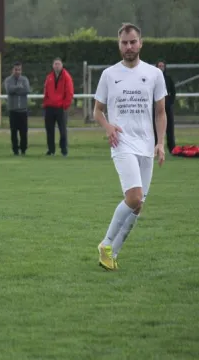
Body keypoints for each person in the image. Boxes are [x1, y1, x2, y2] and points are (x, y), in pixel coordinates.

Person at [93, 23, 167, 270]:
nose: (129, 47)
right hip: (122, 143)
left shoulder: (154, 74)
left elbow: (160, 112)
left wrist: (160, 143)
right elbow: (97, 111)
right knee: (133, 197)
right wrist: (108, 127)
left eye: (133, 42)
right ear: (119, 45)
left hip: (145, 145)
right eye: (124, 43)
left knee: (138, 205)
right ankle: (105, 244)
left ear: (140, 43)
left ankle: (112, 254)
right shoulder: (109, 75)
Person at [43, 58, 74, 156]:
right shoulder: (49, 77)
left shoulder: (66, 77)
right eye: (55, 64)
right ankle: (51, 150)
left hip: (61, 108)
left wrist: (65, 105)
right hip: (49, 107)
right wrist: (45, 103)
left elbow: (69, 92)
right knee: (49, 130)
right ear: (53, 65)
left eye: (58, 64)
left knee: (63, 130)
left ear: (62, 65)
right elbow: (46, 91)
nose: (57, 66)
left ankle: (64, 150)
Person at [4, 61, 31, 156]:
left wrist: (15, 89)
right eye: (16, 69)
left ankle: (23, 149)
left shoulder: (25, 79)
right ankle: (15, 150)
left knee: (24, 132)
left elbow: (27, 90)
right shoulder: (8, 80)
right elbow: (9, 90)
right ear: (13, 70)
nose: (18, 71)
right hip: (13, 110)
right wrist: (18, 87)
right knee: (14, 131)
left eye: (19, 69)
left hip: (23, 110)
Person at [155, 60, 176, 153]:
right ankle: (156, 146)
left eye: (162, 66)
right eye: (159, 66)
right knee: (155, 127)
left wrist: (170, 102)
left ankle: (172, 148)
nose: (161, 68)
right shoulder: (153, 79)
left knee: (170, 128)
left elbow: (173, 92)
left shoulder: (168, 79)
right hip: (156, 108)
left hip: (167, 106)